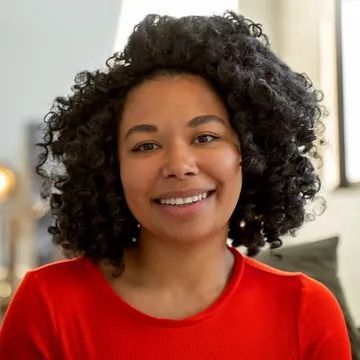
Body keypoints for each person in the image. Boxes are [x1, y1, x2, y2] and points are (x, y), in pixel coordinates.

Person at [0, 11, 351, 359]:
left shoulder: (306, 312)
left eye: (206, 136)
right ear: (110, 166)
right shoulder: (46, 306)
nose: (179, 166)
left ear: (251, 152)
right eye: (146, 146)